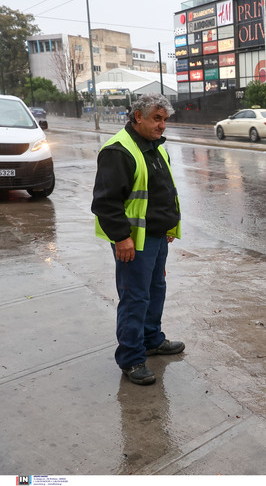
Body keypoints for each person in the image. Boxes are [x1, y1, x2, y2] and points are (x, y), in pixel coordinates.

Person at [92, 93, 184, 386]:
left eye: (165, 119)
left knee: (155, 290)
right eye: (157, 119)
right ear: (137, 117)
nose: (162, 125)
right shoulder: (119, 150)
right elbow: (105, 203)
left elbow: (162, 190)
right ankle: (131, 358)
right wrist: (121, 238)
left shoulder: (155, 147)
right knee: (135, 297)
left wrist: (169, 227)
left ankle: (151, 340)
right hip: (133, 241)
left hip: (156, 237)